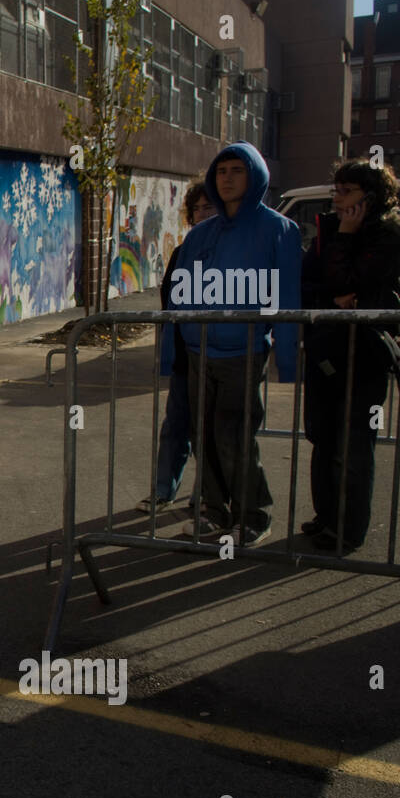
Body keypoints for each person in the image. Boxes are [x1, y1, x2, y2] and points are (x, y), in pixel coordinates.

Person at [161, 141, 301, 548]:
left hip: (245, 352)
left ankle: (253, 516)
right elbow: (178, 297)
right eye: (221, 171)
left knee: (235, 437)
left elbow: (289, 298)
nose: (227, 179)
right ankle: (214, 510)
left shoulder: (279, 230)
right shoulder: (200, 234)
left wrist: (288, 361)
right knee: (203, 434)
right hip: (198, 351)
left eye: (237, 170)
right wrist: (172, 354)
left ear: (254, 175)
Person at [300, 160, 400, 552]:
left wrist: (348, 237)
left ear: (370, 197)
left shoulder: (389, 236)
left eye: (347, 191)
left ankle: (348, 529)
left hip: (366, 354)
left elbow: (349, 283)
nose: (337, 198)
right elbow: (311, 284)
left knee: (355, 442)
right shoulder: (327, 230)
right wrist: (335, 291)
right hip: (326, 348)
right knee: (322, 436)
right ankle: (326, 517)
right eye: (336, 189)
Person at [139, 181, 216, 512]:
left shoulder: (229, 252)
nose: (201, 214)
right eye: (196, 208)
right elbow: (170, 301)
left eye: (208, 207)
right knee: (175, 426)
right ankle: (163, 490)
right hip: (186, 355)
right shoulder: (182, 253)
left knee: (209, 431)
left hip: (219, 356)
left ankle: (208, 495)